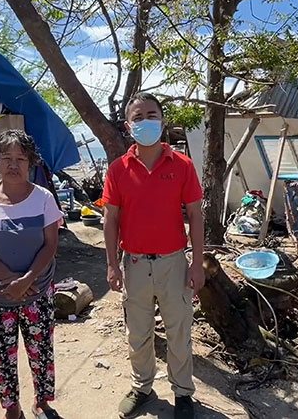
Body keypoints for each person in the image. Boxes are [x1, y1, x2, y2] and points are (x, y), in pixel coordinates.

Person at [102, 92, 205, 419]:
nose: (145, 122)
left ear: (161, 121)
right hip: (133, 263)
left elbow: (196, 216)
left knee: (179, 331)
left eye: (151, 115)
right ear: (127, 125)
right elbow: (111, 219)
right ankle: (142, 387)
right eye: (138, 117)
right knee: (139, 332)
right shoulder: (118, 170)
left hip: (173, 262)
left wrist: (197, 263)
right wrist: (111, 265)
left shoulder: (182, 165)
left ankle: (183, 393)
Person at [0, 129, 64, 419]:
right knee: (1, 358)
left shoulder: (43, 198)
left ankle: (41, 403)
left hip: (37, 294)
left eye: (21, 158)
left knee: (41, 353)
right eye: (6, 158)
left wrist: (27, 281)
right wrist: (12, 281)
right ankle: (12, 408)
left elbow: (50, 246)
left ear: (30, 162)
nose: (13, 164)